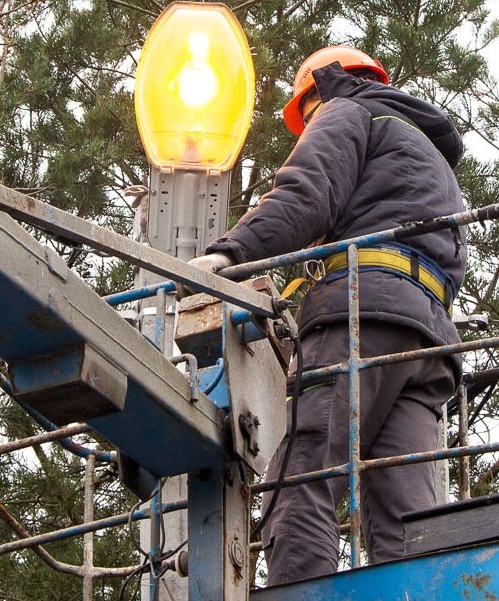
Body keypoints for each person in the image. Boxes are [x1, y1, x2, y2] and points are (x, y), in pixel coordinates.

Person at [187, 46, 468, 584]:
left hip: (361, 318)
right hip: (427, 339)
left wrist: (230, 254)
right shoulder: (425, 152)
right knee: (406, 513)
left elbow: (305, 194)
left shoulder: (346, 110)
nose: (306, 128)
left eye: (304, 116)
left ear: (317, 90)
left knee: (301, 479)